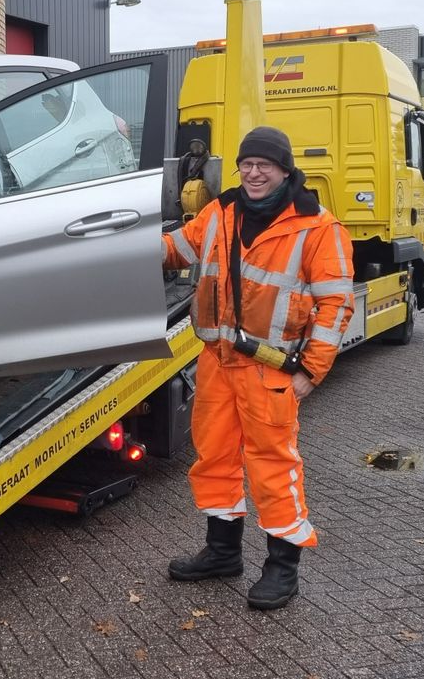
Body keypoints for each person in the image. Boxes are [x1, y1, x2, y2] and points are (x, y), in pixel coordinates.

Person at [161, 126, 354, 610]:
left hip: (269, 370)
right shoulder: (220, 212)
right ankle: (223, 553)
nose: (253, 172)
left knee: (273, 467)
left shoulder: (316, 226)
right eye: (246, 163)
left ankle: (282, 569)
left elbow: (335, 306)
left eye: (264, 164)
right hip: (216, 362)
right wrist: (117, 244)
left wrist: (311, 370)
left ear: (285, 170)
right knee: (214, 459)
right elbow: (179, 249)